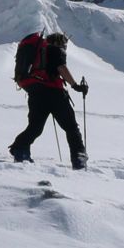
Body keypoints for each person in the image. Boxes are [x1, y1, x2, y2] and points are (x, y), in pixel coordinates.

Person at [9, 32, 89, 169]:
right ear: (60, 42)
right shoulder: (55, 50)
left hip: (35, 93)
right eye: (64, 44)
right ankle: (79, 158)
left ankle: (20, 148)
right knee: (71, 127)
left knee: (35, 127)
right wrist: (75, 86)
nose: (65, 47)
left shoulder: (39, 52)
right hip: (54, 93)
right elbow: (61, 68)